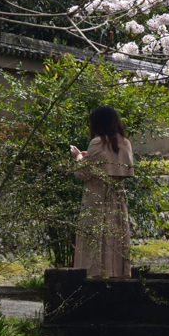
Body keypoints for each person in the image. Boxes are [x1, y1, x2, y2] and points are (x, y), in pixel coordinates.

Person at [70, 104, 134, 279]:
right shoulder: (125, 143)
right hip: (117, 196)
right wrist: (87, 157)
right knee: (115, 235)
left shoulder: (97, 142)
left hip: (97, 195)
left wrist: (78, 158)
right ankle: (117, 273)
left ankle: (95, 273)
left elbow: (83, 173)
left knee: (96, 235)